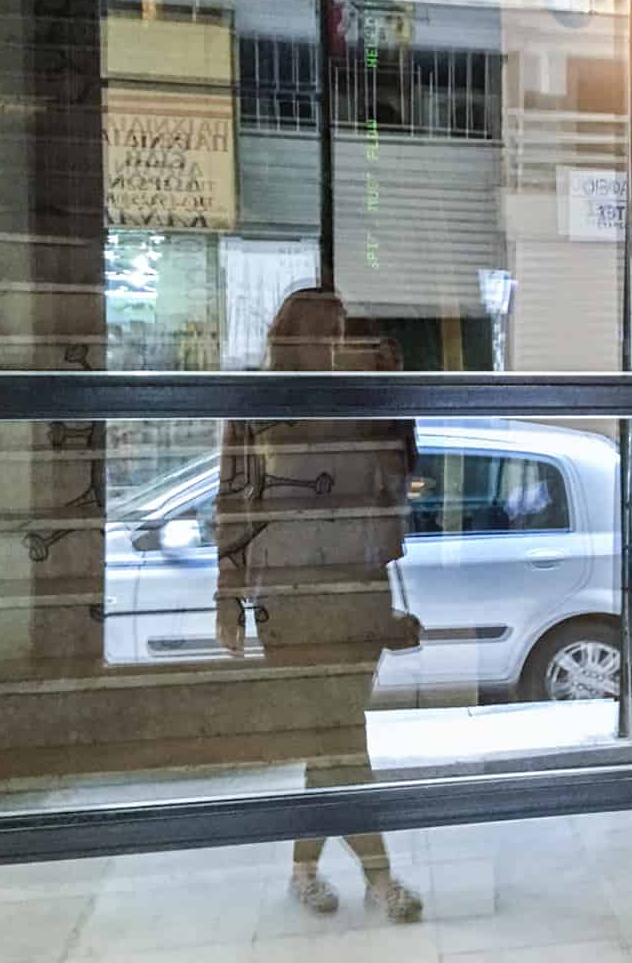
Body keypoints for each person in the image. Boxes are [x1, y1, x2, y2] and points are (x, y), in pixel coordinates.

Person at [213, 287, 424, 923]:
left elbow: (408, 473)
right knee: (338, 736)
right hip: (290, 591)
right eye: (320, 331)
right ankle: (380, 877)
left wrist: (394, 392)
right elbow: (232, 502)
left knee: (330, 738)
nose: (332, 344)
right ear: (289, 336)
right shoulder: (256, 400)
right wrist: (228, 598)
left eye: (342, 332)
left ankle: (305, 867)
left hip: (360, 587)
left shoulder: (364, 397)